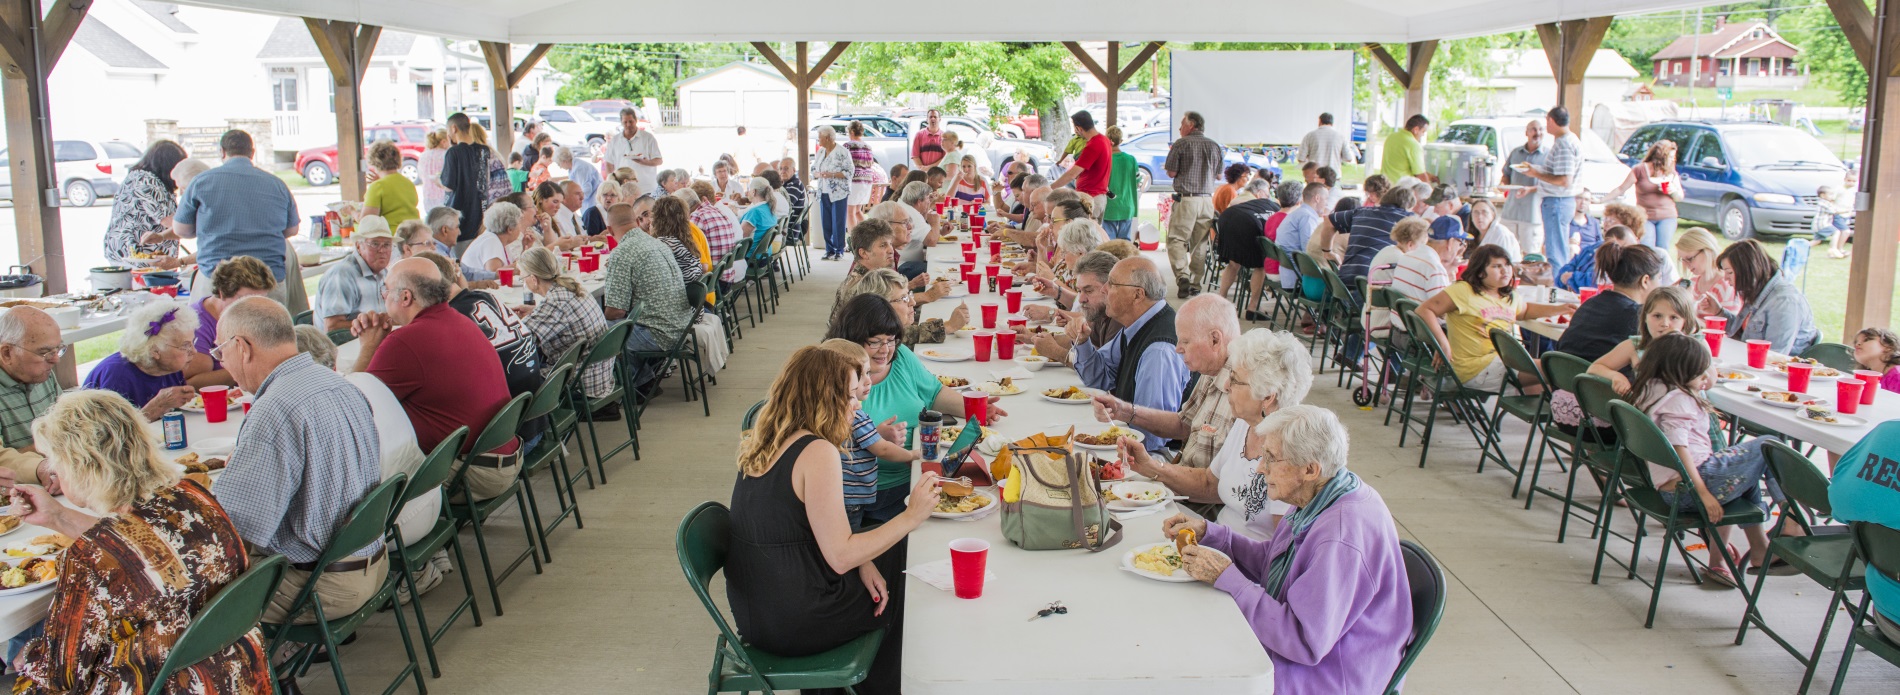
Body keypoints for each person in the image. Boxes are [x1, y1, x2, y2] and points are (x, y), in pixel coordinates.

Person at [9, 390, 268, 695]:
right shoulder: (194, 496)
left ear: (80, 466)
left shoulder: (89, 557)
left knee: (23, 666)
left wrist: (24, 657)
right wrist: (57, 517)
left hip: (163, 684)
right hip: (236, 674)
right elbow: (142, 548)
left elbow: (62, 675)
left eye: (54, 463)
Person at [727, 345, 934, 695]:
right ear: (825, 398)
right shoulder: (818, 452)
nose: (858, 404)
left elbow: (814, 531)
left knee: (886, 557)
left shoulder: (768, 437)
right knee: (904, 571)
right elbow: (839, 555)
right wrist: (912, 515)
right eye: (851, 396)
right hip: (798, 618)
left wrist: (864, 559)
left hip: (759, 612)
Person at [1161, 405, 1412, 693]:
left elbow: (1302, 641)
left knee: (1189, 661)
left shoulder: (1341, 536)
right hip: (1308, 650)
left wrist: (1228, 577)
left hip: (1328, 675)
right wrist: (1213, 535)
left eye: (1271, 458)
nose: (1259, 468)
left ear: (1309, 469)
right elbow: (1276, 560)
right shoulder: (1320, 492)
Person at [210, 296, 386, 623]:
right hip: (371, 561)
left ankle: (266, 668)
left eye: (221, 351)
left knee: (189, 605)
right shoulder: (338, 383)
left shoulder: (274, 410)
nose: (222, 363)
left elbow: (233, 533)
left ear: (243, 347)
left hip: (323, 585)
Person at [349, 259, 523, 500]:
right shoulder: (459, 319)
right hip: (503, 457)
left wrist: (368, 346)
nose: (383, 298)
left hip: (473, 473)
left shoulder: (405, 342)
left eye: (385, 290)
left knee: (360, 471)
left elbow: (351, 407)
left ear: (406, 297)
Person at [823, 296, 1001, 526]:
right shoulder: (836, 380)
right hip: (876, 493)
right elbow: (822, 445)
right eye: (875, 342)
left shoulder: (901, 357)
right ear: (852, 339)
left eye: (891, 340)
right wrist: (874, 437)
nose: (885, 350)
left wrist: (975, 409)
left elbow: (935, 392)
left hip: (919, 471)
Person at [1121, 327, 1311, 538]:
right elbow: (1209, 483)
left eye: (1236, 380)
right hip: (1215, 538)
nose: (1227, 385)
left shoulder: (1290, 452)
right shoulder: (1245, 423)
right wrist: (1151, 467)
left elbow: (1280, 551)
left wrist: (1214, 541)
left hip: (1240, 560)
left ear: (1267, 396)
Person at [1629, 333, 1784, 586]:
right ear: (1679, 371)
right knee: (1770, 444)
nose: (1705, 378)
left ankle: (1747, 552)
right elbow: (1679, 448)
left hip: (1671, 489)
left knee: (1746, 469)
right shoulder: (1680, 399)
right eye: (1699, 373)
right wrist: (1702, 492)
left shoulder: (1651, 389)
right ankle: (1790, 517)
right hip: (1694, 485)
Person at [1088, 295, 1244, 475]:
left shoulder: (1243, 391)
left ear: (1215, 339)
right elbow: (1183, 424)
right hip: (1183, 477)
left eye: (1185, 341)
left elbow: (1215, 487)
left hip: (1195, 498)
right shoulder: (1212, 368)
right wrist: (1124, 410)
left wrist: (1156, 470)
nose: (1177, 348)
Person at [1415, 244, 1573, 393]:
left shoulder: (1508, 295)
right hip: (1474, 369)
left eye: (1507, 265)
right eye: (1497, 266)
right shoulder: (1463, 290)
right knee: (1555, 369)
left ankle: (1550, 418)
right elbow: (1424, 309)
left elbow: (1525, 311)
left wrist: (1560, 309)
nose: (1505, 271)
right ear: (1480, 272)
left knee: (1546, 382)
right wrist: (1443, 343)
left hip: (1503, 363)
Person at [1549, 247, 1670, 438]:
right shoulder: (1639, 317)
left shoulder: (1590, 303)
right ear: (1645, 280)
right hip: (1604, 420)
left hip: (1562, 410)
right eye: (1659, 279)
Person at [1072, 258, 1191, 451]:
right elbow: (1098, 377)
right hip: (1131, 442)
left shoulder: (1158, 351)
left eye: (1112, 284)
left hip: (1154, 459)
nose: (1104, 290)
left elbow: (1152, 437)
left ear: (1137, 295)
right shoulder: (1138, 325)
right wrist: (1083, 342)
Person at [172, 130, 297, 301]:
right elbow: (291, 229)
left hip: (217, 281)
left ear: (222, 152)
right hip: (268, 281)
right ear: (252, 153)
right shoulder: (277, 184)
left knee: (211, 328)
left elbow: (181, 230)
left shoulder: (201, 182)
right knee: (270, 328)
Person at [815, 339, 919, 531]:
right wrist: (912, 455)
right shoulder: (856, 415)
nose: (868, 381)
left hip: (835, 496)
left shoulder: (825, 412)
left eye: (868, 372)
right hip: (854, 498)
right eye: (860, 376)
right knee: (850, 537)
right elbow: (883, 449)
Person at [512, 246, 616, 417]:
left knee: (516, 377)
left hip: (581, 383)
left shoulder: (555, 303)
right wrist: (535, 311)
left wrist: (513, 321)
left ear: (533, 279)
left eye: (522, 276)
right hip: (599, 374)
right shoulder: (571, 288)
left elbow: (521, 339)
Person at [602, 201, 694, 391]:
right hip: (682, 327)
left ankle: (618, 388)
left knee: (596, 331)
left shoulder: (622, 252)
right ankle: (643, 381)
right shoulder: (656, 242)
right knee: (622, 324)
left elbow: (615, 312)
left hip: (660, 334)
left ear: (609, 230)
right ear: (636, 221)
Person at [81, 300, 201, 420]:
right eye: (185, 345)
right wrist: (158, 406)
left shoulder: (170, 368)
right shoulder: (117, 376)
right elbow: (112, 434)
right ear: (155, 350)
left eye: (192, 342)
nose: (194, 351)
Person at [1703, 240, 1820, 355]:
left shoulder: (1784, 301)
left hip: (1778, 369)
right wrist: (1718, 311)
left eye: (1730, 273)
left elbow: (1775, 355)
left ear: (1748, 271)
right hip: (1751, 361)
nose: (1725, 278)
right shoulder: (1756, 290)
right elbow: (1742, 331)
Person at [103, 140, 191, 269]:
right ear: (169, 165)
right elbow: (172, 222)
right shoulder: (145, 180)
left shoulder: (148, 179)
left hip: (142, 255)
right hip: (136, 254)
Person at [0, 307, 61, 491]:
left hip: (57, 480)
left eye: (58, 349)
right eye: (45, 352)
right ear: (7, 353)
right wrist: (41, 467)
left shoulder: (39, 372)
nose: (56, 359)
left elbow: (67, 425)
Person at [1363, 217, 1449, 346]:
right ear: (1410, 244)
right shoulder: (1401, 258)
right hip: (1387, 321)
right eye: (1424, 243)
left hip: (1374, 315)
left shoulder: (1388, 250)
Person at [1165, 111, 1223, 297]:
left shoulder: (1181, 144)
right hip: (1207, 199)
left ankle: (1182, 275)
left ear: (1191, 125)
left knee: (1177, 239)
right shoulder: (1214, 146)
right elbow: (1219, 175)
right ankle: (1196, 283)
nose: (1180, 128)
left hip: (1187, 199)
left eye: (1182, 124)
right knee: (1200, 243)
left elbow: (1171, 173)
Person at [1313, 184, 1417, 286]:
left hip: (1345, 282)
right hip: (1371, 284)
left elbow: (1328, 222)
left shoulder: (1361, 212)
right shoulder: (1408, 220)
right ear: (1408, 206)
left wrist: (1327, 252)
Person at [835, 268, 966, 348]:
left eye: (909, 294)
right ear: (879, 305)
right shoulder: (874, 348)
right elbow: (906, 336)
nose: (913, 302)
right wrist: (948, 326)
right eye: (903, 298)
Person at [1520, 106, 1584, 267]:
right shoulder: (1569, 140)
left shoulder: (1564, 144)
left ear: (1551, 121)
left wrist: (1536, 174)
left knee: (1555, 251)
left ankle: (1558, 287)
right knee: (1557, 248)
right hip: (1560, 201)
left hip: (1558, 201)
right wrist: (1536, 169)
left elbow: (1564, 180)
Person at [312, 214, 395, 331]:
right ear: (358, 246)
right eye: (375, 244)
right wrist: (376, 324)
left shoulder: (384, 273)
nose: (382, 250)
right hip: (341, 346)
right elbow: (332, 327)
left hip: (368, 341)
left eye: (387, 245)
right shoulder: (342, 275)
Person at [1215, 180, 1281, 317]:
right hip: (1248, 222)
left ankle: (1221, 301)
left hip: (1226, 218)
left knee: (1233, 263)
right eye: (1268, 193)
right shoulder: (1275, 207)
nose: (1269, 196)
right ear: (1261, 193)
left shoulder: (1243, 199)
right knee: (1261, 265)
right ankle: (1253, 307)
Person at [441, 113, 493, 251]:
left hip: (460, 219)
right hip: (481, 217)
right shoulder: (484, 150)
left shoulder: (453, 153)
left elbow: (448, 185)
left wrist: (437, 180)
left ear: (453, 129)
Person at [1050, 111, 1112, 218]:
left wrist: (1050, 188)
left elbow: (1072, 174)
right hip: (1097, 196)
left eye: (1075, 128)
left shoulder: (1093, 145)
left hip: (1090, 198)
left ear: (1079, 128)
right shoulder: (1104, 140)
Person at [1673, 226, 1741, 317]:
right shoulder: (1692, 283)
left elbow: (1729, 327)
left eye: (1689, 259)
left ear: (1707, 251)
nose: (1685, 265)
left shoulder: (1726, 286)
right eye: (1682, 260)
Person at [1275, 183, 1328, 295]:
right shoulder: (1307, 216)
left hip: (1289, 274)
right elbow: (1309, 251)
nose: (1327, 203)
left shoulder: (1299, 213)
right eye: (1326, 198)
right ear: (1317, 198)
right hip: (1298, 280)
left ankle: (1309, 313)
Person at [601, 107, 663, 196]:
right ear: (621, 122)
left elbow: (659, 160)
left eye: (631, 121)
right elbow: (608, 163)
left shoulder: (648, 138)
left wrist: (645, 162)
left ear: (636, 120)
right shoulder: (615, 140)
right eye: (625, 122)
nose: (628, 125)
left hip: (646, 189)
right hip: (623, 189)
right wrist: (611, 182)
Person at [813, 126, 854, 260]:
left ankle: (839, 250)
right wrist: (817, 174)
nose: (818, 139)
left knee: (838, 222)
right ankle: (829, 249)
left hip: (839, 192)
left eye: (820, 137)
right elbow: (814, 168)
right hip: (823, 191)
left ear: (827, 138)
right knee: (826, 222)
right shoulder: (820, 152)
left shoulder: (842, 152)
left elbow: (849, 172)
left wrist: (832, 174)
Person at [650, 196, 710, 285]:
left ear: (658, 220)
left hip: (681, 295)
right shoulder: (686, 240)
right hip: (695, 293)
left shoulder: (665, 244)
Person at [360, 141, 420, 228]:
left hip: (390, 237)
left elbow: (367, 221)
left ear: (373, 161)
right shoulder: (408, 183)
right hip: (414, 233)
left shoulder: (377, 186)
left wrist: (352, 212)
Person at [465, 201, 530, 275]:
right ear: (510, 229)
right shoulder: (491, 241)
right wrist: (522, 264)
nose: (520, 227)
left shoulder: (499, 240)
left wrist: (525, 249)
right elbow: (493, 275)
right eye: (519, 223)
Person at [1102, 125, 1140, 240]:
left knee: (1109, 242)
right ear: (1121, 141)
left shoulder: (1105, 160)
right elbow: (1137, 182)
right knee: (1125, 243)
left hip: (1109, 206)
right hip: (1127, 205)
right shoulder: (1131, 160)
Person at [1379, 114, 1432, 184]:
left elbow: (1399, 164)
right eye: (1423, 131)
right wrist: (1430, 192)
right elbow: (1420, 175)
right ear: (1415, 130)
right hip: (1401, 189)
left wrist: (1430, 176)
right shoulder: (1414, 145)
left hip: (1385, 185)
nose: (1423, 135)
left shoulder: (1391, 137)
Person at [739, 176, 780, 261]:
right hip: (765, 257)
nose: (748, 192)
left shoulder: (755, 212)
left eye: (749, 190)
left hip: (752, 259)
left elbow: (740, 236)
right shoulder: (770, 208)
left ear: (753, 192)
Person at [844, 121, 876, 226]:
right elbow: (871, 163)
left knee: (850, 213)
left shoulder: (848, 146)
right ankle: (871, 232)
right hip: (866, 181)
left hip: (854, 182)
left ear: (852, 132)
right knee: (857, 211)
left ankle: (853, 239)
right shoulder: (868, 147)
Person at [1853, 328, 1900, 394]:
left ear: (1888, 347)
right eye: (1856, 342)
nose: (1857, 344)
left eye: (1867, 339)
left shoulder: (1897, 376)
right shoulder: (1866, 377)